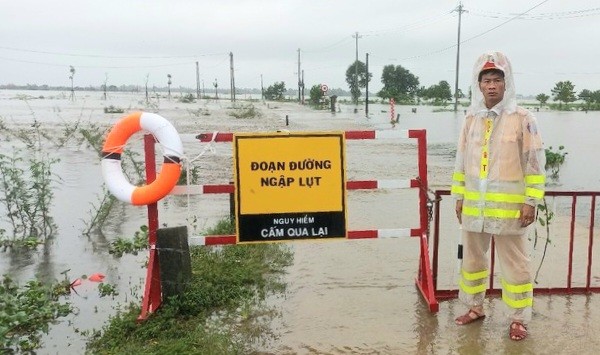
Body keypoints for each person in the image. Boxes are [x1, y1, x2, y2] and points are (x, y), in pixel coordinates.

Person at [451, 51, 546, 341]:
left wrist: (531, 201)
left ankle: (518, 319)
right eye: (486, 80)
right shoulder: (472, 118)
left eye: (497, 80)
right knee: (472, 261)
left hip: (510, 211)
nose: (491, 86)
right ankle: (474, 307)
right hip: (474, 210)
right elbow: (461, 160)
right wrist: (459, 196)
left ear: (506, 85)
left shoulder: (523, 118)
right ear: (478, 85)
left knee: (516, 265)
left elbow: (534, 161)